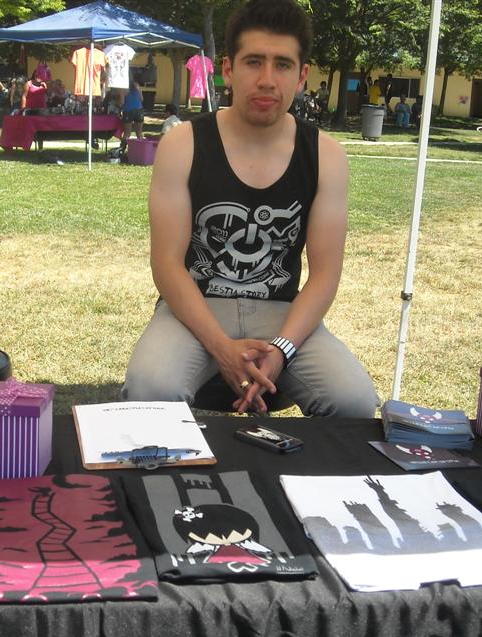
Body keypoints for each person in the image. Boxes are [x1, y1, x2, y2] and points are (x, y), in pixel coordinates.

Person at [122, 0, 377, 417]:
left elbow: (325, 274)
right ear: (228, 69)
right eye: (254, 62)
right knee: (151, 387)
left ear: (302, 76)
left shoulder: (326, 156)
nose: (267, 80)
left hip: (283, 313)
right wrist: (222, 348)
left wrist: (283, 349)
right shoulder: (183, 144)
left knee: (353, 401)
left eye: (282, 65)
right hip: (194, 308)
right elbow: (166, 264)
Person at [118, 73, 145, 151]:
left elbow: (122, 102)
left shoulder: (123, 88)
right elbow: (142, 99)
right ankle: (142, 151)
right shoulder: (137, 85)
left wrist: (118, 104)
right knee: (139, 134)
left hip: (128, 111)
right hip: (139, 110)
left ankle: (122, 150)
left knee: (127, 133)